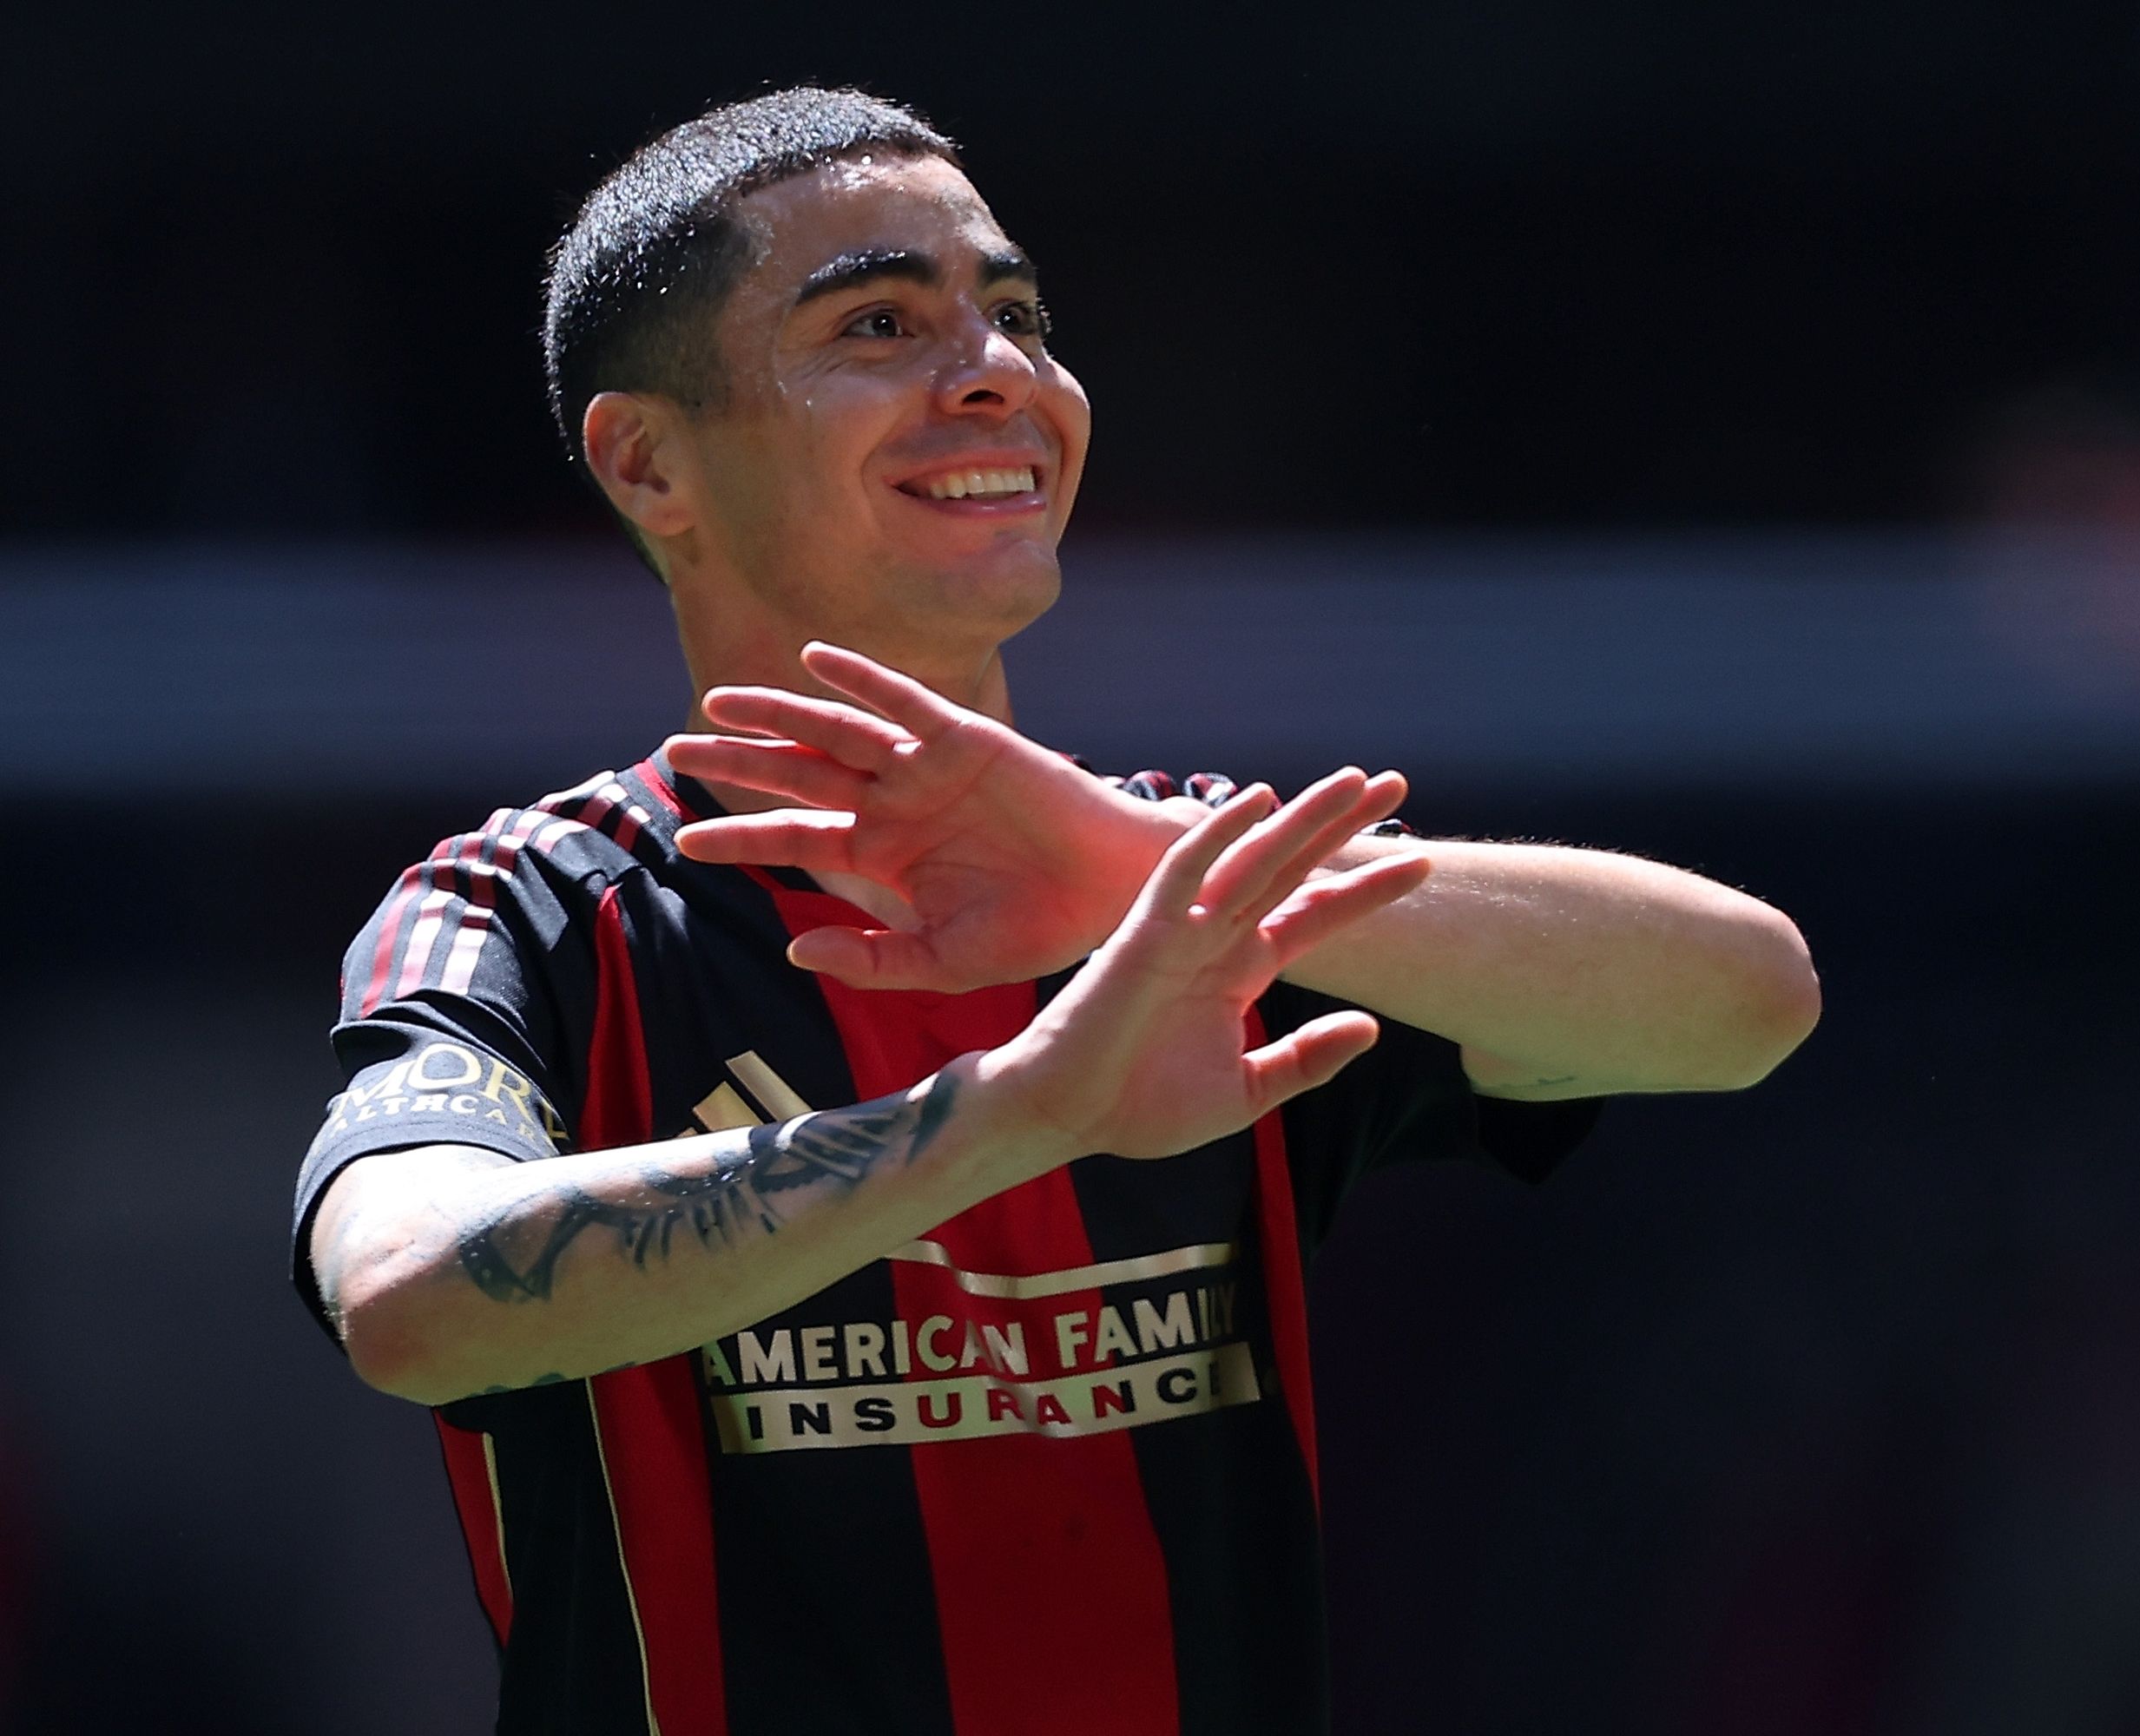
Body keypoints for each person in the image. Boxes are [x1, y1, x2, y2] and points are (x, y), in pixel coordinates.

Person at [290, 87, 1819, 1736]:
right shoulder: (528, 911)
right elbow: (410, 1298)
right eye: (880, 323)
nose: (999, 373)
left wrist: (1139, 864)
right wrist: (1022, 1111)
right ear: (648, 461)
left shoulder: (1194, 889)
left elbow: (1748, 1007)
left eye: (1015, 315)